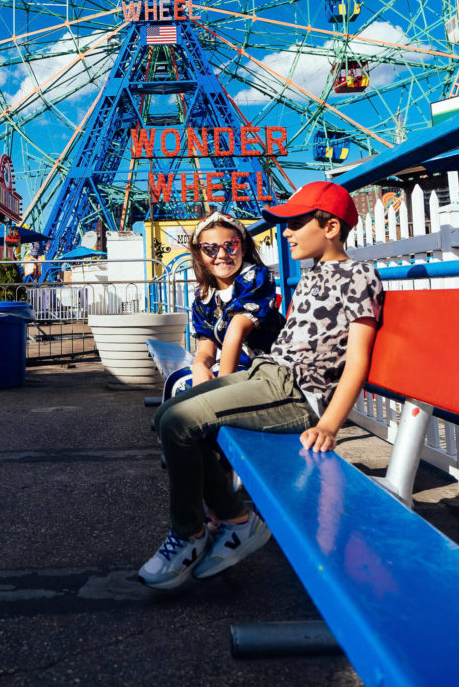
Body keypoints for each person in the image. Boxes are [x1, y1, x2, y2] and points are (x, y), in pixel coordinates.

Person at [138, 182, 383, 590]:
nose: (285, 233)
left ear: (332, 228)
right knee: (167, 415)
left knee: (177, 424)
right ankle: (234, 521)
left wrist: (330, 425)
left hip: (295, 393)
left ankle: (192, 531)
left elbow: (359, 357)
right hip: (267, 376)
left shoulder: (357, 275)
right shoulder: (313, 273)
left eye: (295, 223)